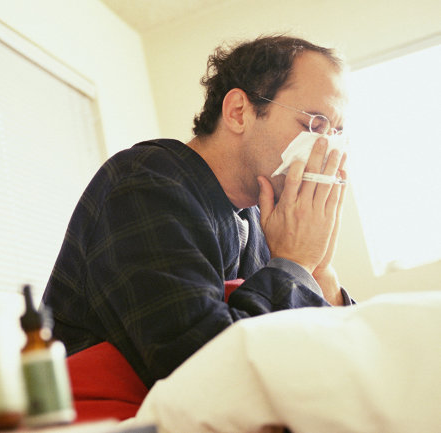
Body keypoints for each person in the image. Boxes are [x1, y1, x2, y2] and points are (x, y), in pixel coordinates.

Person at [42, 35, 353, 389]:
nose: (327, 148)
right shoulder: (146, 182)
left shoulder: (261, 222)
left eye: (337, 132)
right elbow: (204, 369)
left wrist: (321, 272)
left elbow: (323, 367)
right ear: (238, 112)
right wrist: (294, 265)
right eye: (314, 124)